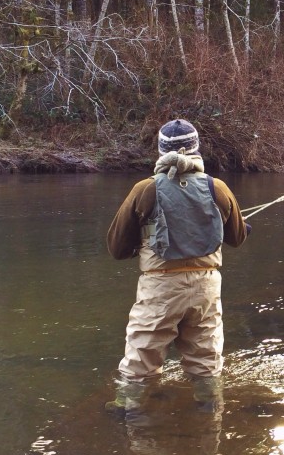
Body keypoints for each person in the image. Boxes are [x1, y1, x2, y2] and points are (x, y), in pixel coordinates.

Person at [106, 118, 249, 414]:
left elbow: (117, 248)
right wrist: (244, 227)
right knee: (206, 359)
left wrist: (141, 243)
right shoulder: (217, 188)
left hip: (160, 286)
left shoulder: (144, 190)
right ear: (196, 148)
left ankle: (127, 409)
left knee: (141, 357)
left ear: (160, 150)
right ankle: (209, 413)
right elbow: (236, 238)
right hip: (206, 285)